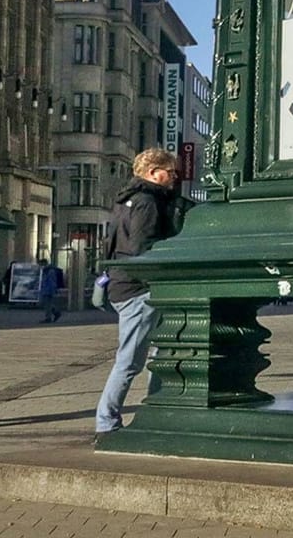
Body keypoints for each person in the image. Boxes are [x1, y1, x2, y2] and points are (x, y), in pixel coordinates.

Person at [96, 149, 192, 436]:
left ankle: (157, 407)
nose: (174, 177)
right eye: (170, 172)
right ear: (153, 173)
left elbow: (112, 245)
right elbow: (143, 248)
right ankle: (106, 422)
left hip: (122, 285)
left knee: (161, 351)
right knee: (130, 361)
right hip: (139, 289)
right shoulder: (148, 202)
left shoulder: (125, 200)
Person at [37, 258, 66, 322]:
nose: (40, 266)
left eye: (41, 264)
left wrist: (52, 290)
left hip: (48, 290)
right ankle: (56, 313)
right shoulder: (46, 270)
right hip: (46, 290)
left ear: (44, 263)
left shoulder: (50, 271)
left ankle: (48, 318)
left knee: (47, 304)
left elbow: (52, 282)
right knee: (47, 304)